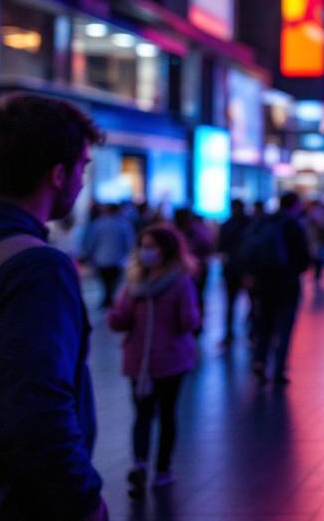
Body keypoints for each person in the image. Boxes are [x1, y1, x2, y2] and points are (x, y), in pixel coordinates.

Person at [0, 93, 108, 519]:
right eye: (82, 168)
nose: (81, 182)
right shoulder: (37, 268)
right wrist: (84, 499)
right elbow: (36, 414)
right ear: (58, 175)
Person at [106, 224, 200, 494]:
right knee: (145, 414)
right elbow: (120, 320)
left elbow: (187, 320)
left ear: (165, 251)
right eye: (144, 247)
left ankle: (160, 467)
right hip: (143, 362)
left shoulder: (176, 282)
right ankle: (142, 465)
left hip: (167, 361)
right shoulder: (135, 284)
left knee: (162, 414)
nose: (146, 252)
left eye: (151, 247)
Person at [243, 192, 310, 384]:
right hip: (287, 283)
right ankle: (279, 370)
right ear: (295, 204)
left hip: (263, 283)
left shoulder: (263, 222)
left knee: (264, 325)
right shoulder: (293, 225)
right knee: (284, 328)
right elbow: (303, 257)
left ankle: (259, 361)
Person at [80, 203, 136, 309]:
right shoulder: (123, 224)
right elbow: (129, 243)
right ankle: (109, 299)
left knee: (105, 282)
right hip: (117, 260)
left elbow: (91, 242)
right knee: (112, 282)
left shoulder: (98, 224)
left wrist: (88, 254)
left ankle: (107, 299)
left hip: (101, 260)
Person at [216, 199, 254, 347]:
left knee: (232, 303)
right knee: (243, 302)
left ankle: (232, 334)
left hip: (235, 269)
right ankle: (248, 332)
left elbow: (220, 247)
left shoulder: (229, 224)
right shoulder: (249, 224)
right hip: (241, 269)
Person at [173, 208, 213, 322]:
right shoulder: (175, 231)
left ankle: (196, 322)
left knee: (196, 297)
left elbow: (207, 248)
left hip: (196, 271)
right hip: (181, 272)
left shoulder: (197, 232)